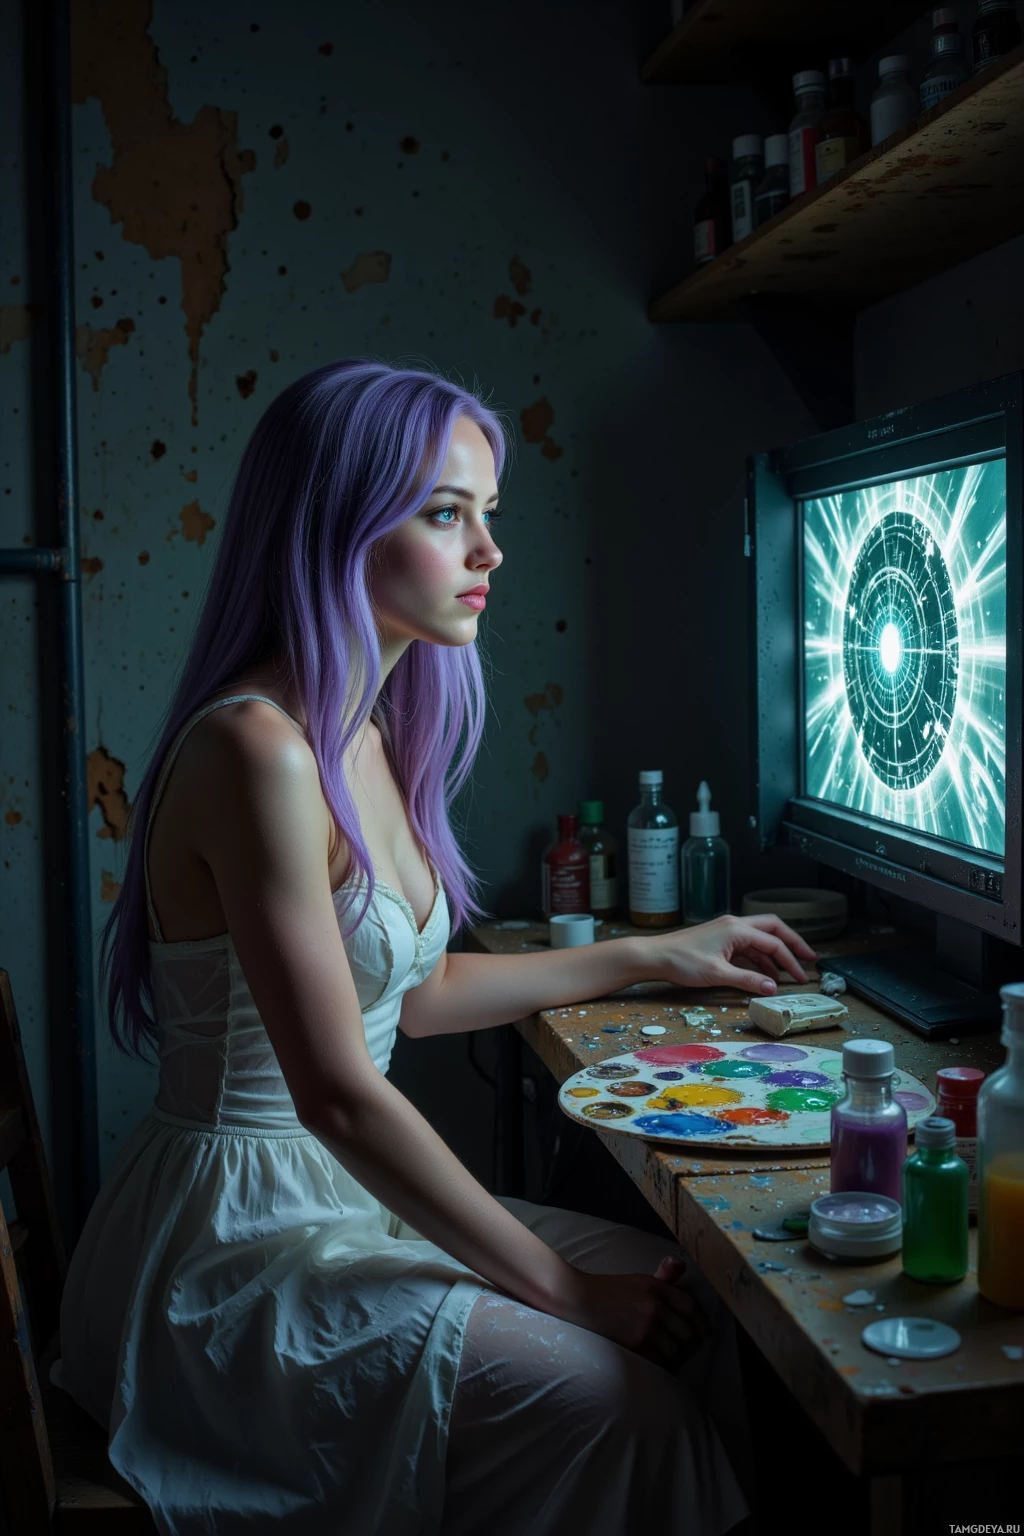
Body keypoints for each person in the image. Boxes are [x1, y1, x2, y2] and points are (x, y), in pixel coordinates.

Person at [51, 359, 816, 1536]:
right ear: (335, 525)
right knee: (626, 1407)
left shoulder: (364, 732)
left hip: (335, 1199)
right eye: (446, 513)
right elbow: (337, 1095)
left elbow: (415, 993)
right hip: (239, 1242)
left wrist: (658, 953)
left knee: (704, 1300)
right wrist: (566, 1295)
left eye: (487, 513)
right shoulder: (257, 751)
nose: (489, 551)